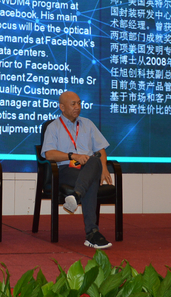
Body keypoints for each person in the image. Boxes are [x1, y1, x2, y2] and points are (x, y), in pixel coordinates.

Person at [41, 91, 113, 249]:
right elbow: (49, 154)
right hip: (66, 169)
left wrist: (104, 169)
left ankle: (76, 195)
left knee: (95, 161)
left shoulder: (87, 124)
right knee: (90, 179)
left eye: (79, 103)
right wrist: (73, 156)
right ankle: (92, 233)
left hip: (88, 168)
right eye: (73, 104)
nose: (77, 107)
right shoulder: (53, 127)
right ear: (62, 107)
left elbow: (101, 150)